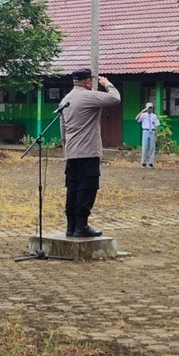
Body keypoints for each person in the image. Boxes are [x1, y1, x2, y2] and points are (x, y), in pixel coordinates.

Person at [59, 69, 121, 237]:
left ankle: (71, 226)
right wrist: (107, 84)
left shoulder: (66, 100)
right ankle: (82, 226)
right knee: (87, 188)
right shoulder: (89, 95)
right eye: (91, 82)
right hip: (88, 151)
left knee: (72, 188)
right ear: (87, 82)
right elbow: (115, 98)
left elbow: (62, 130)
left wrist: (67, 149)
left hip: (72, 152)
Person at [136, 102, 159, 167]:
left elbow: (156, 126)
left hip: (152, 131)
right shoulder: (143, 115)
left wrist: (156, 136)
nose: (150, 109)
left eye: (151, 108)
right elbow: (137, 118)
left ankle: (151, 162)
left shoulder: (154, 116)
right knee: (145, 147)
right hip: (145, 131)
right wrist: (142, 111)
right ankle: (143, 162)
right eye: (149, 108)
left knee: (152, 147)